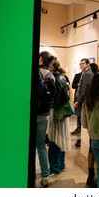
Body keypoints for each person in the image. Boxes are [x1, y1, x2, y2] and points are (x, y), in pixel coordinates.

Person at [47, 59, 72, 175]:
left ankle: (55, 167)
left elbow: (56, 97)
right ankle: (61, 165)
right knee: (61, 137)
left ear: (52, 67)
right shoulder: (62, 77)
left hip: (57, 112)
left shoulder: (55, 78)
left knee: (55, 138)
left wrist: (50, 107)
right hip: (62, 111)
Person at [37, 51, 56, 187]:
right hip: (45, 114)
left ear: (41, 59)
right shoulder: (51, 76)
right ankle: (45, 175)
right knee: (41, 144)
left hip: (33, 114)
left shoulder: (34, 72)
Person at [73, 58, 94, 147]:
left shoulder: (88, 74)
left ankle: (83, 142)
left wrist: (79, 101)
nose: (81, 65)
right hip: (82, 100)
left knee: (83, 122)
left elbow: (84, 90)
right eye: (80, 64)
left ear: (88, 64)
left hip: (83, 102)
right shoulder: (85, 73)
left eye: (83, 63)